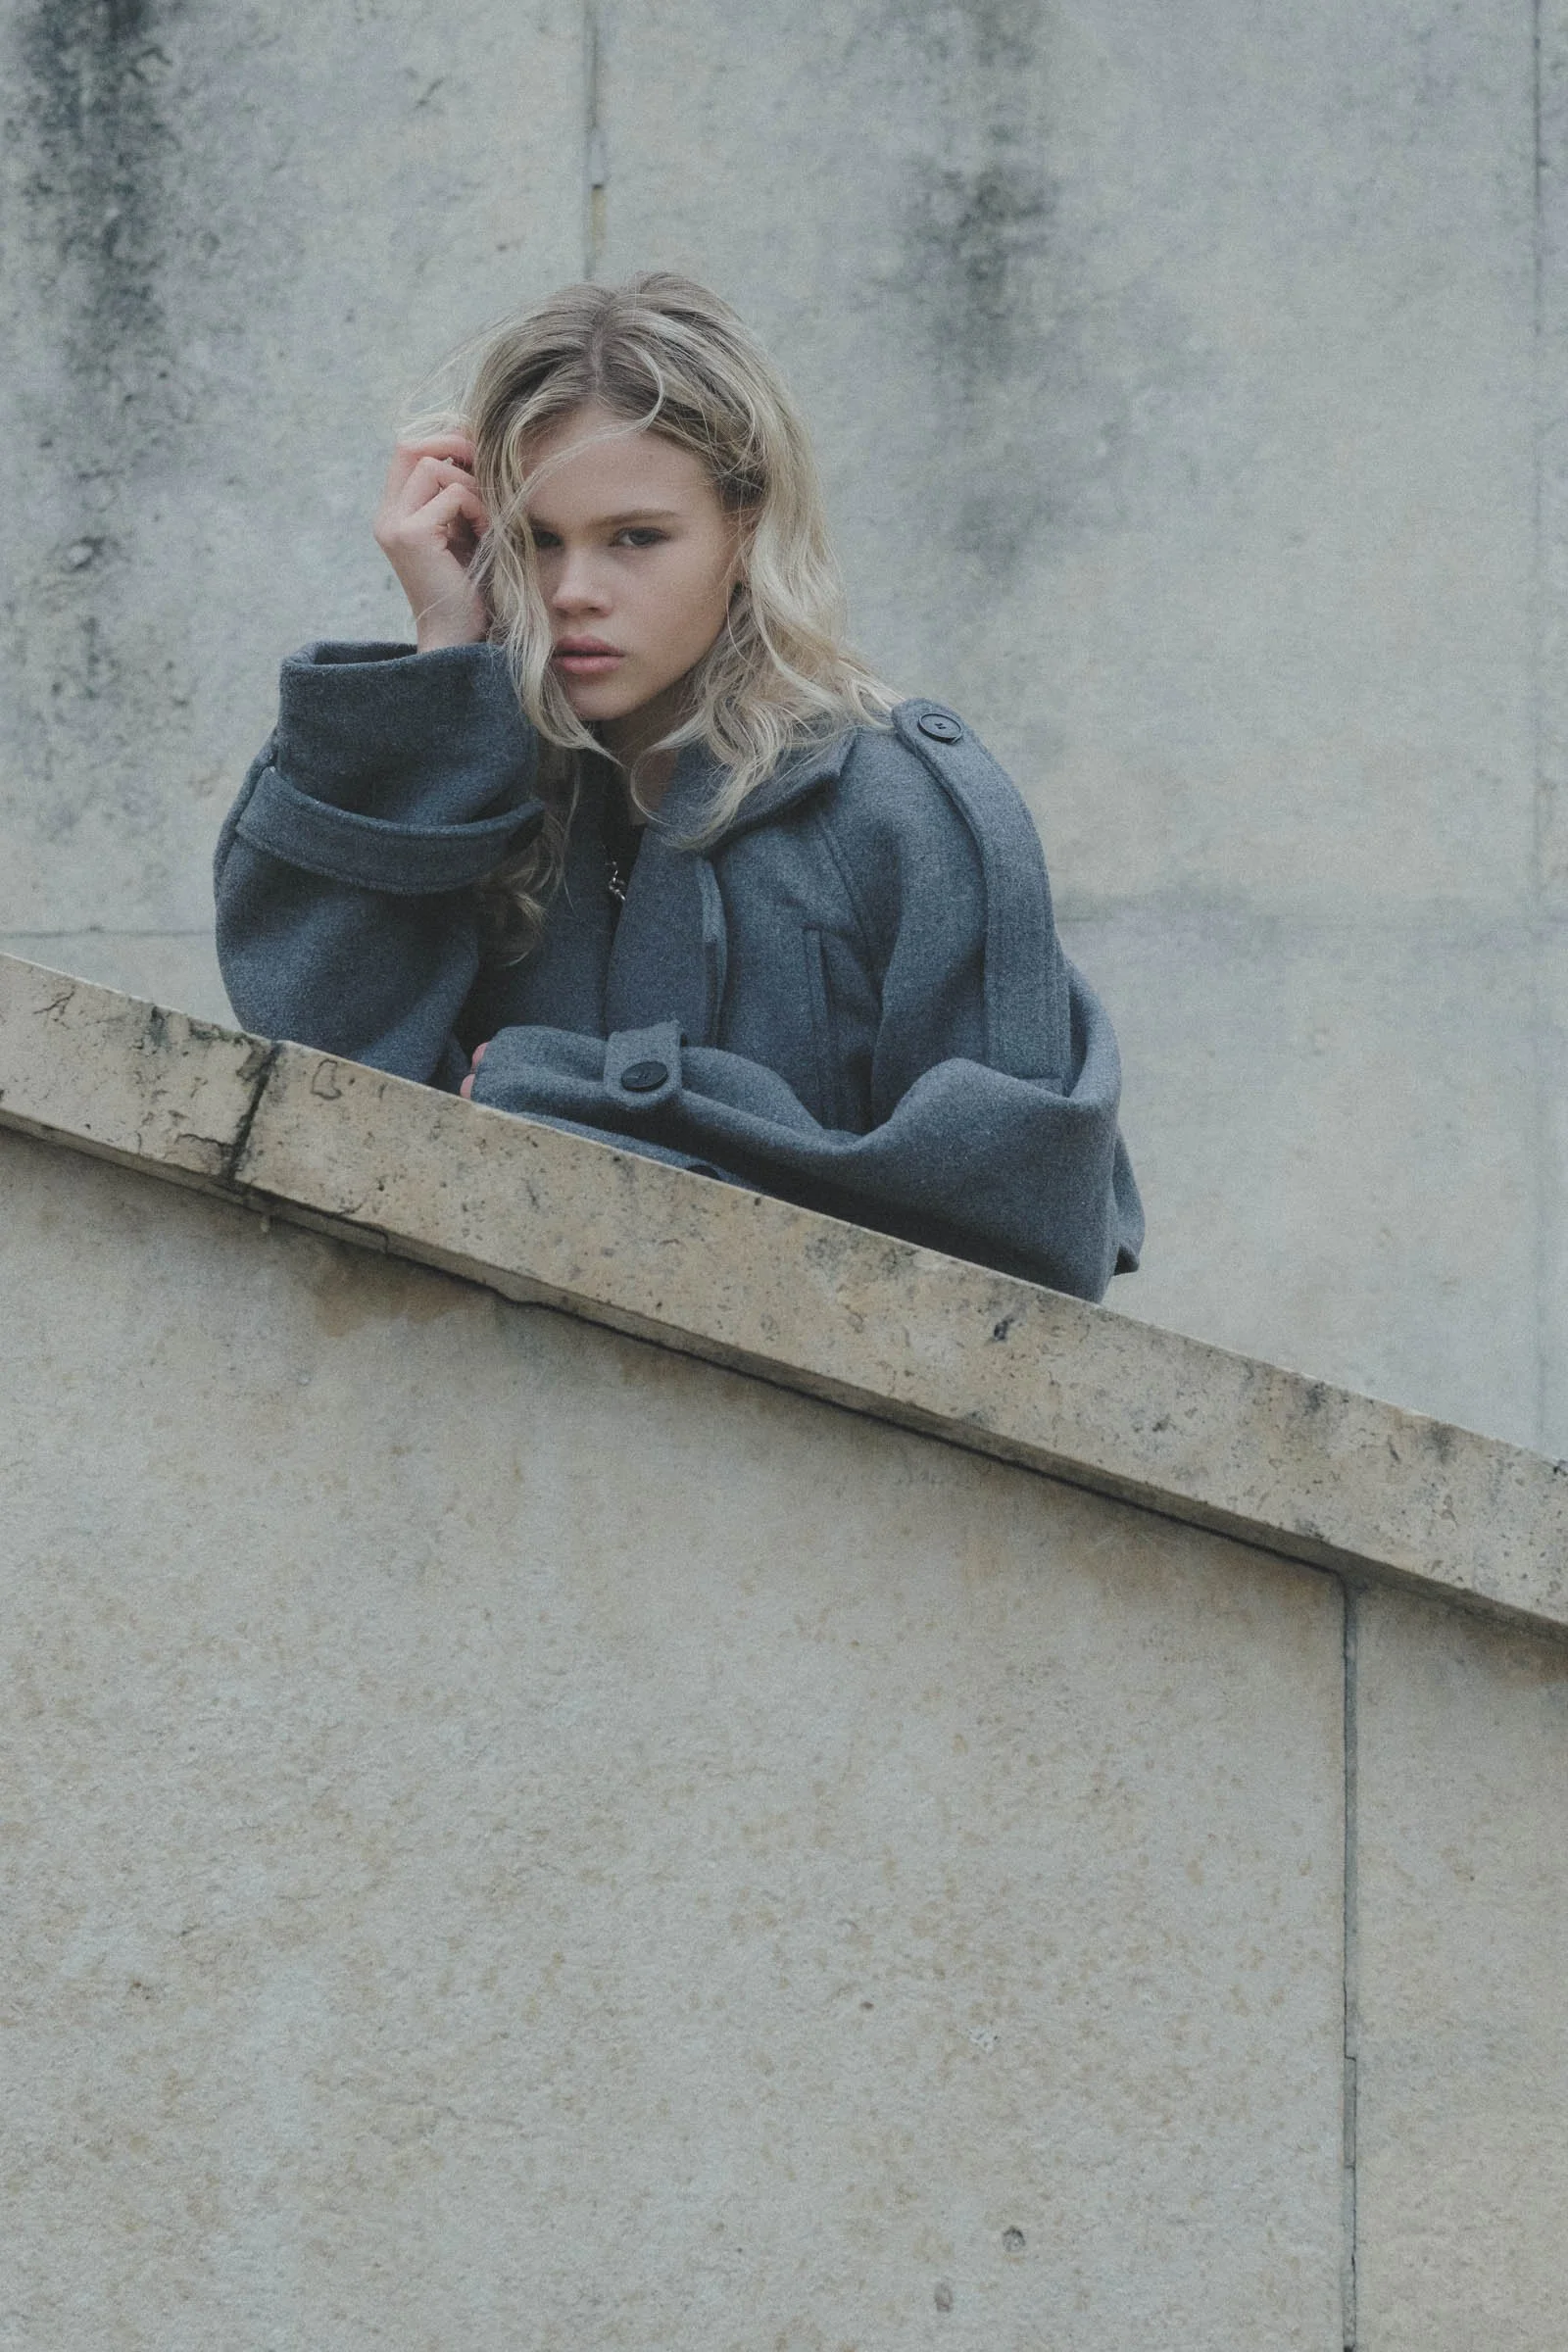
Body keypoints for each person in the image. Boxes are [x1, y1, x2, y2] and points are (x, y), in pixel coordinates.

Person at [216, 273, 1143, 1300]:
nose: (573, 592)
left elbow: (1032, 1224)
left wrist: (596, 1109)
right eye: (536, 540)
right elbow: (329, 1100)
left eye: (636, 538)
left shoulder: (897, 805)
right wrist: (446, 650)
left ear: (745, 527)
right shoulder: (468, 778)